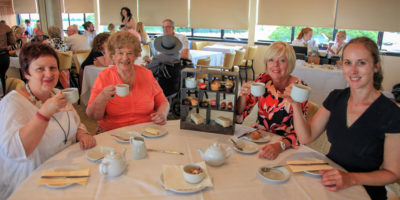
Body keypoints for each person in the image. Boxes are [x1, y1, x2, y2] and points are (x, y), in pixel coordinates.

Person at [287, 37, 400, 200]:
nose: (353, 71)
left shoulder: (391, 114)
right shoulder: (336, 98)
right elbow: (306, 137)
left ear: (376, 66)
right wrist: (296, 106)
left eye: (361, 63)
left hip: (364, 190)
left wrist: (351, 178)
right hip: (330, 180)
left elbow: (393, 174)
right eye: (348, 62)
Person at [0, 43, 96, 199]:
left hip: (65, 173)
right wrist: (44, 113)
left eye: (52, 68)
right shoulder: (12, 103)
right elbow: (15, 151)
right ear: (26, 73)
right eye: (40, 69)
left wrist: (82, 133)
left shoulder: (57, 93)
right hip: (30, 183)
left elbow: (76, 123)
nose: (49, 74)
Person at [235, 41, 308, 160]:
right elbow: (239, 115)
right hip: (259, 139)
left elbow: (300, 133)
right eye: (271, 60)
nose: (275, 65)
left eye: (282, 60)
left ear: (290, 64)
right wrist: (243, 95)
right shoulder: (263, 79)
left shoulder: (299, 88)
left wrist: (279, 146)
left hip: (284, 145)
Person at [86, 31, 169, 133]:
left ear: (136, 55)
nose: (125, 58)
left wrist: (162, 114)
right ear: (113, 55)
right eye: (120, 53)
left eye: (130, 53)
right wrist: (102, 97)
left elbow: (163, 102)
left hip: (146, 132)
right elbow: (92, 116)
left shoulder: (146, 74)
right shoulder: (104, 77)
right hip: (114, 134)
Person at [0, 22, 15, 97]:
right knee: (2, 76)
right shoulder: (6, 27)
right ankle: (3, 96)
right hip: (4, 56)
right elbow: (12, 42)